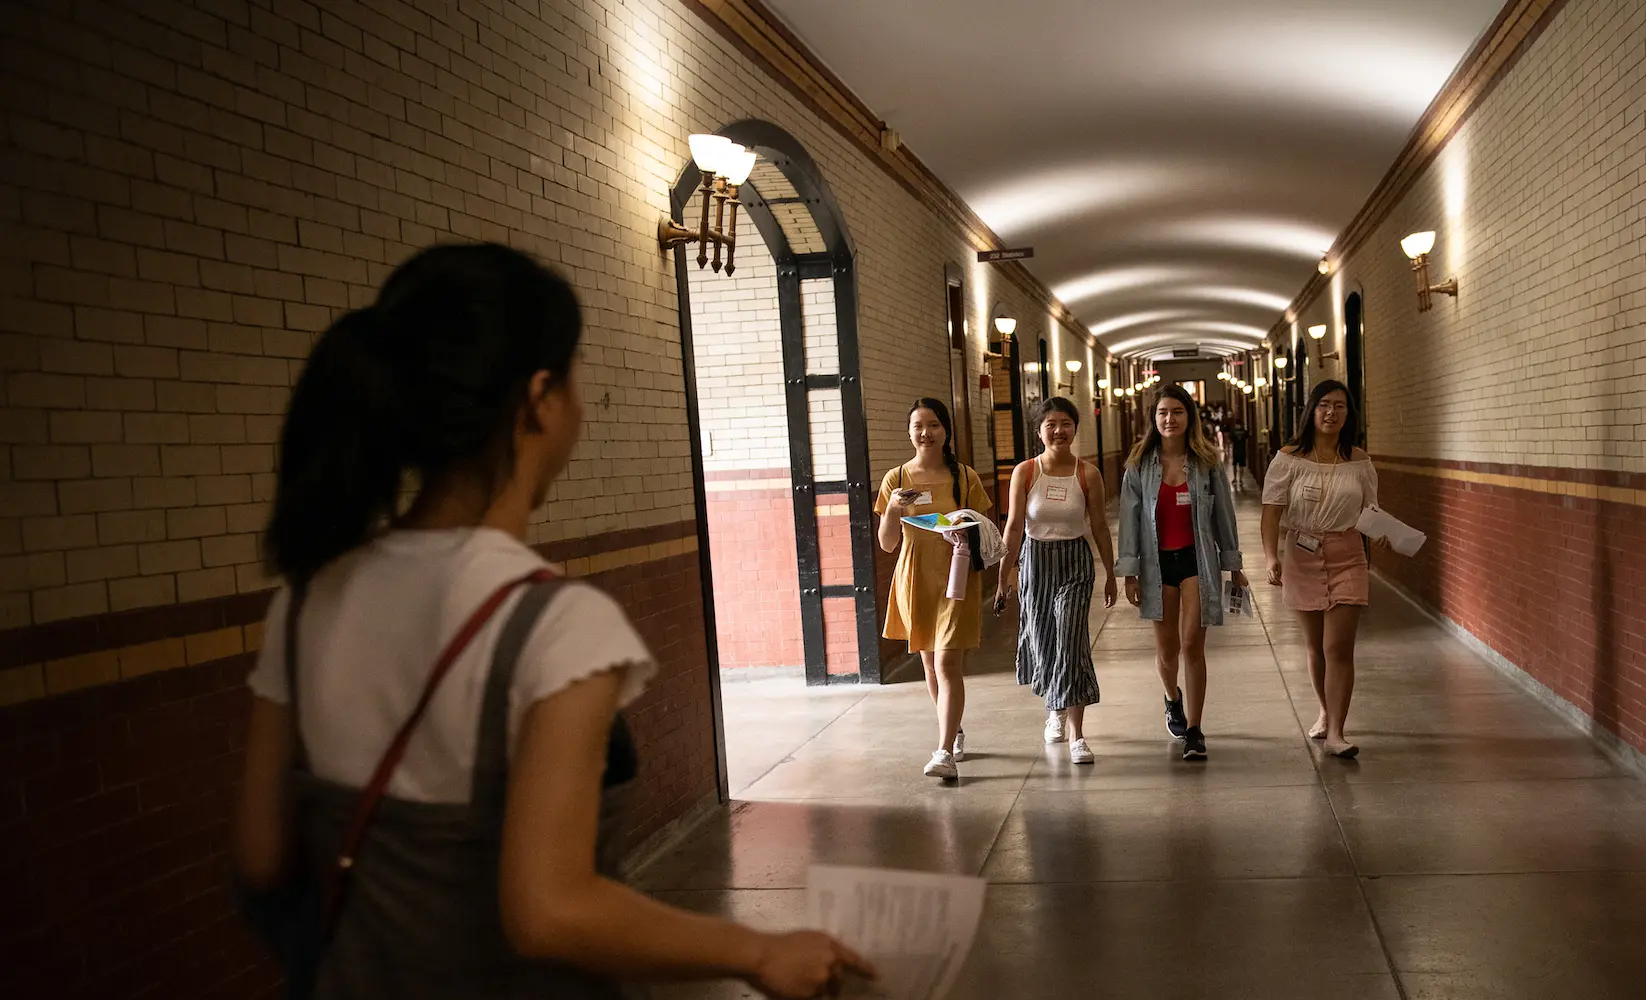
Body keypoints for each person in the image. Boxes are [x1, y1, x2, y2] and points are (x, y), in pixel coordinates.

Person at [229, 243, 873, 999]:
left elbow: (262, 855)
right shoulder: (557, 625)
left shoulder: (305, 601)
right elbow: (550, 910)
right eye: (576, 374)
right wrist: (757, 952)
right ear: (538, 398)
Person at [1115, 384, 1247, 761]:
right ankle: (1172, 698)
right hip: (1157, 564)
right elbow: (1129, 520)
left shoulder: (1206, 463)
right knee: (1167, 650)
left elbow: (1224, 515)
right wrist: (1130, 571)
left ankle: (1195, 729)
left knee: (1192, 645)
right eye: (1162, 413)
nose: (1169, 419)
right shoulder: (1139, 465)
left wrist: (1234, 565)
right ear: (1153, 419)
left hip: (1197, 560)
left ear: (1189, 417)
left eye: (1177, 412)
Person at [1260, 379, 1383, 758]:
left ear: (1349, 414)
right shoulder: (1289, 458)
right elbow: (1271, 512)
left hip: (1348, 552)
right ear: (1311, 411)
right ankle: (1326, 711)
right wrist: (1270, 556)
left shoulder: (1360, 461)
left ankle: (1337, 734)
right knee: (1316, 647)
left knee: (1338, 647)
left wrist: (1381, 531)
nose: (1331, 413)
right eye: (1325, 405)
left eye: (1340, 407)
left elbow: (1371, 509)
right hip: (1302, 551)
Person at [875, 398, 993, 780]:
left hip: (955, 576)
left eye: (934, 425)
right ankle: (952, 727)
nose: (926, 433)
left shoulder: (964, 476)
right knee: (928, 661)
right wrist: (893, 509)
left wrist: (962, 522)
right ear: (909, 432)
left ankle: (943, 751)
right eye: (918, 426)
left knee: (946, 662)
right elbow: (887, 543)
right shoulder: (896, 478)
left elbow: (983, 526)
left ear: (946, 430)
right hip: (915, 576)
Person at [997, 398, 1118, 765]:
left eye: (1066, 423)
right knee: (1044, 639)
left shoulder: (1088, 473)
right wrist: (1004, 575)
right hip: (1036, 561)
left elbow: (1098, 525)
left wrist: (1112, 574)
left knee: (1072, 640)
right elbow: (1015, 526)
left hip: (1074, 562)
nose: (1059, 431)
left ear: (1075, 429)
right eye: (1050, 424)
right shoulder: (1026, 472)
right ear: (1039, 431)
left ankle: (1078, 735)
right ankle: (1056, 709)